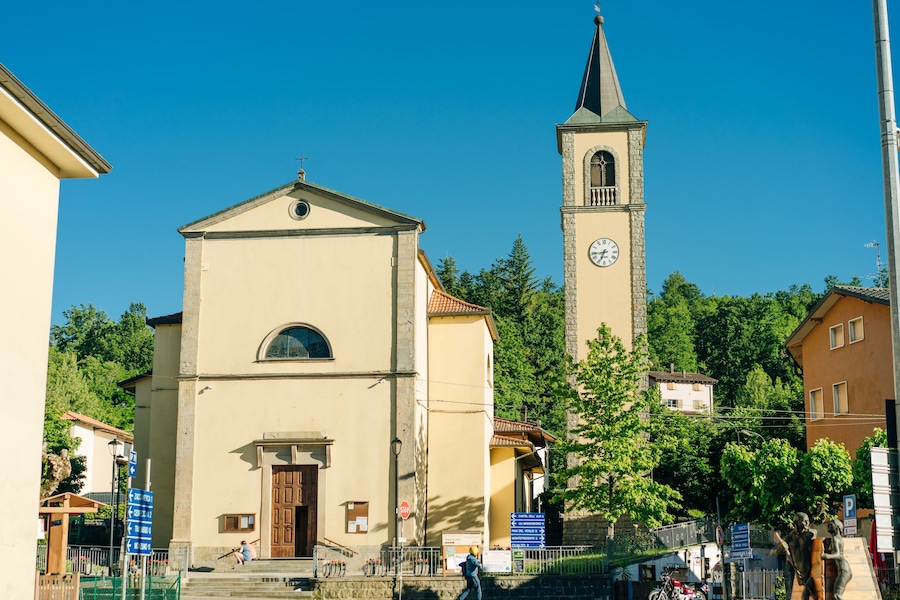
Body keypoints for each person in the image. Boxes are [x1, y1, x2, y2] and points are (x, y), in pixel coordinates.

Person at [778, 512, 817, 600]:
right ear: (796, 523)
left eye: (808, 521)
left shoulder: (810, 534)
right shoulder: (790, 538)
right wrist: (783, 546)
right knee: (794, 592)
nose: (807, 523)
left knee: (807, 594)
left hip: (810, 571)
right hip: (797, 571)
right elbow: (774, 551)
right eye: (804, 521)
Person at [821, 520, 852, 600]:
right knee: (835, 595)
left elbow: (838, 555)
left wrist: (827, 556)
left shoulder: (835, 538)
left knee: (837, 595)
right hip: (843, 569)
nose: (828, 526)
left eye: (831, 525)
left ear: (837, 527)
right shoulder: (837, 538)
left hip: (843, 570)